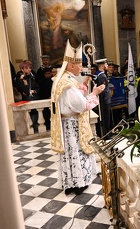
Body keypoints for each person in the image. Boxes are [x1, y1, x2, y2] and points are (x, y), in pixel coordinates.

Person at [50, 40, 105, 195]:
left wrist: (85, 83)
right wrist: (94, 94)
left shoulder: (62, 80)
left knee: (69, 154)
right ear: (70, 65)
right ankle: (79, 184)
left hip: (65, 123)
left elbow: (73, 97)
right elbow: (81, 105)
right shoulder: (67, 83)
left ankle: (71, 182)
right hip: (73, 126)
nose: (81, 67)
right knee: (77, 152)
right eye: (79, 64)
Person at [94, 58, 112, 137]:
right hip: (104, 102)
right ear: (102, 66)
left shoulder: (97, 74)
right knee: (105, 119)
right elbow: (103, 90)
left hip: (103, 101)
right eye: (106, 64)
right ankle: (106, 135)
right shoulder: (102, 76)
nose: (107, 66)